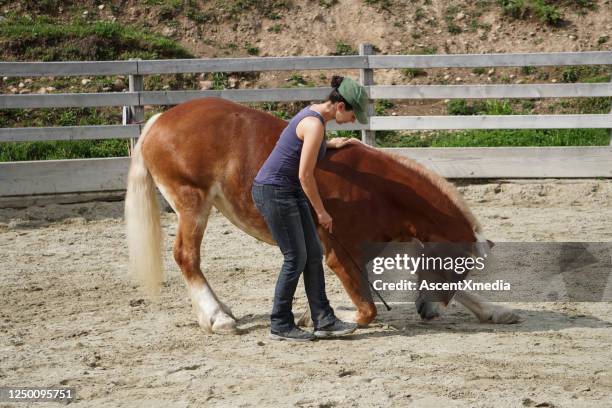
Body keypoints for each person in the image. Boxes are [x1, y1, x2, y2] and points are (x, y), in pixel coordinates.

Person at [251, 75, 369, 342]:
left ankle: (324, 320)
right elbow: (305, 175)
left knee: (313, 253)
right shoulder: (314, 124)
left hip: (286, 190)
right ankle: (280, 323)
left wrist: (329, 145)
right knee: (295, 258)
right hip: (276, 192)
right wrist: (321, 212)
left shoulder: (313, 116)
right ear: (340, 106)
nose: (353, 120)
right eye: (353, 114)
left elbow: (297, 146)